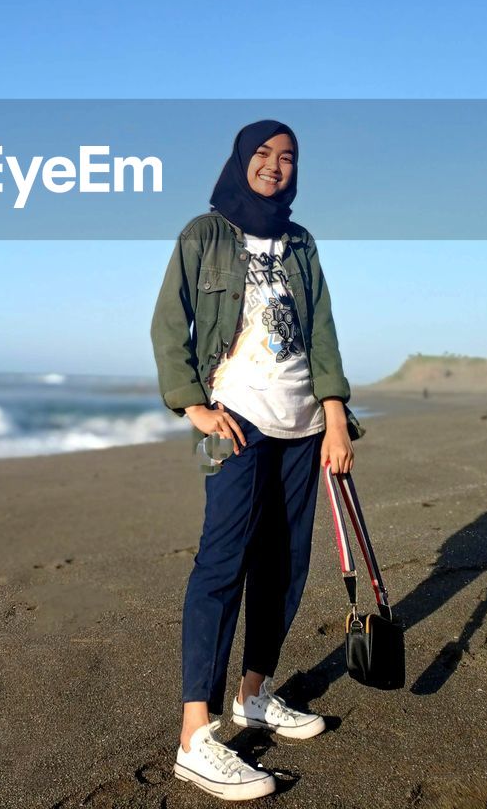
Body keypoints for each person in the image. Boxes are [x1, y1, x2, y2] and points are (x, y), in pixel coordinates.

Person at [150, 119, 355, 802]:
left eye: (287, 158)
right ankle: (194, 736)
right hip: (236, 424)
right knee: (221, 564)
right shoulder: (204, 235)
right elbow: (166, 323)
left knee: (285, 563)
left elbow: (321, 329)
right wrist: (192, 405)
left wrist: (332, 416)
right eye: (263, 154)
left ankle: (256, 693)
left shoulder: (300, 243)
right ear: (241, 160)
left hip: (302, 428)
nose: (275, 166)